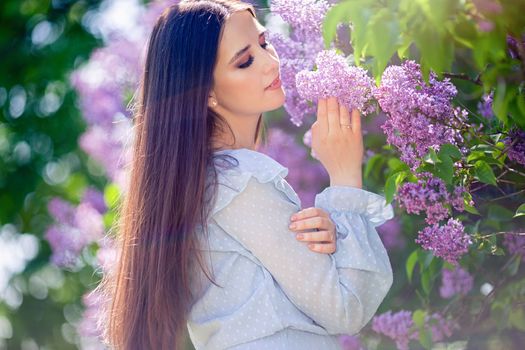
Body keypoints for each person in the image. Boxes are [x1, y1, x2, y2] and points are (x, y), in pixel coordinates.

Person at [101, 1, 394, 349]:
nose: (271, 62)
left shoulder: (206, 184)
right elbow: (346, 308)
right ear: (205, 91)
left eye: (265, 43)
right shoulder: (238, 183)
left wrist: (337, 235)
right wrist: (345, 180)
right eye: (245, 61)